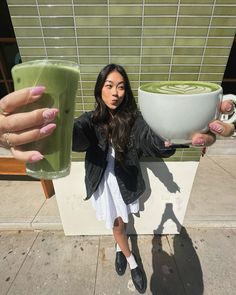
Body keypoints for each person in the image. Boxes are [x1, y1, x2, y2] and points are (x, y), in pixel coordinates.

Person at [0, 64, 235, 293]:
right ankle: (132, 261)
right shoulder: (91, 120)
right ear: (100, 89)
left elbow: (149, 138)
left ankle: (118, 247)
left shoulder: (135, 119)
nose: (115, 93)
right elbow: (77, 135)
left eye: (121, 87)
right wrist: (55, 126)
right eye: (109, 85)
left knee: (120, 223)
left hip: (125, 184)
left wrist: (172, 136)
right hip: (103, 183)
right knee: (117, 225)